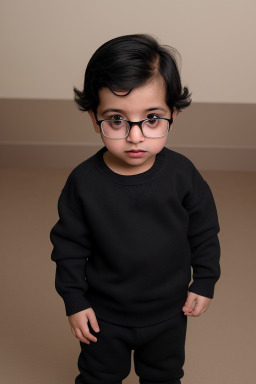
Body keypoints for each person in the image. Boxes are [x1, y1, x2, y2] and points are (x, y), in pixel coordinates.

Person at [50, 34, 221, 384]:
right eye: (116, 120)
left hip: (168, 313)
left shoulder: (182, 175)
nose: (135, 136)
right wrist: (74, 301)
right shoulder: (83, 182)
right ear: (93, 117)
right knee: (98, 377)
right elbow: (67, 247)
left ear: (173, 113)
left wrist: (205, 280)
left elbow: (203, 231)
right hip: (103, 315)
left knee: (164, 376)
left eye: (152, 119)